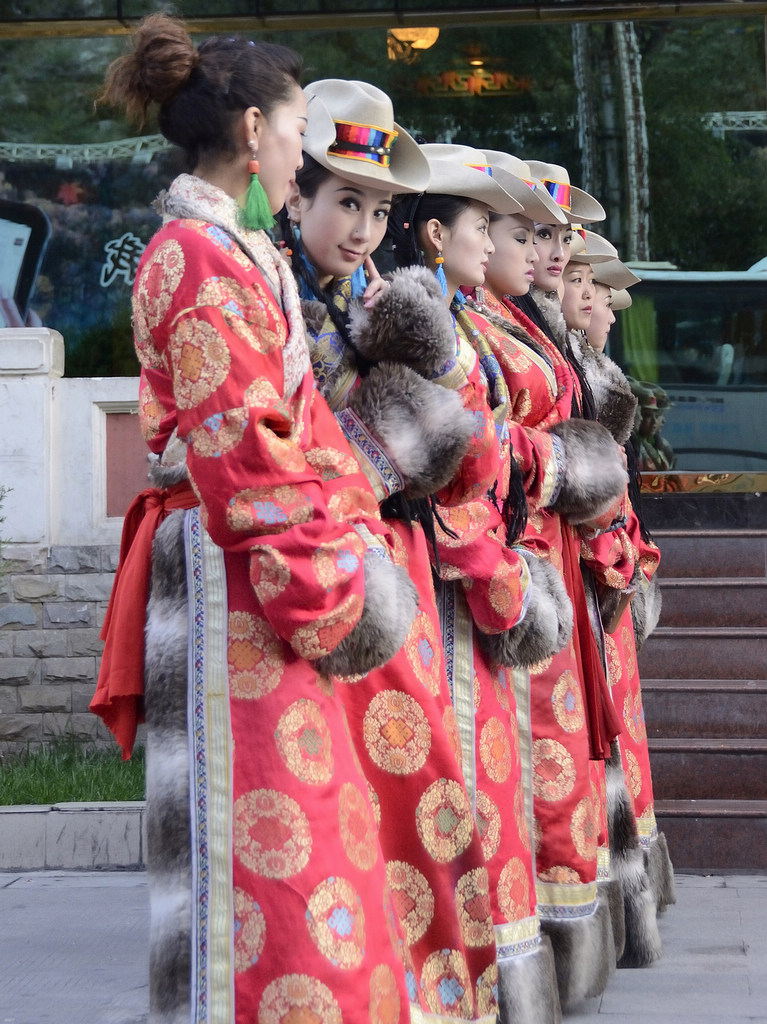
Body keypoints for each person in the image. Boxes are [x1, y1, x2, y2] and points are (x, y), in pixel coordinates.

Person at [91, 16, 424, 1023]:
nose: (298, 150)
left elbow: (301, 430)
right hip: (252, 580)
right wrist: (332, 580)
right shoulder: (194, 256)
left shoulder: (228, 249)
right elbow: (246, 453)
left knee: (310, 854)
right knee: (270, 866)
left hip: (274, 567)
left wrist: (347, 522)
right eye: (293, 128)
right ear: (251, 128)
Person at [278, 78, 502, 1023]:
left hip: (387, 562)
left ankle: (422, 988)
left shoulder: (373, 300)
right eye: (344, 204)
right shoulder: (272, 294)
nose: (363, 228)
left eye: (375, 209)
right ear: (295, 197)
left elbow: (459, 436)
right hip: (311, 572)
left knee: (420, 793)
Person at [386, 142, 585, 1024]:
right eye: (500, 228)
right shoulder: (422, 314)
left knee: (498, 767)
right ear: (436, 234)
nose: (537, 253)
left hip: (501, 544)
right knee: (461, 770)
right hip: (456, 553)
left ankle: (502, 961)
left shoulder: (478, 316)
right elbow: (456, 442)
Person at [462, 151, 634, 1007]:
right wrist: (562, 468)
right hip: (495, 554)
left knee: (555, 753)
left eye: (552, 235)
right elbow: (476, 440)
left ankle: (555, 939)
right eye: (523, 231)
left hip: (542, 551)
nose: (548, 252)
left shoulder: (514, 320)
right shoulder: (455, 321)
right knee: (505, 762)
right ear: (448, 232)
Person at [562, 235, 674, 965]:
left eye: (595, 288)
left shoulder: (570, 356)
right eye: (584, 284)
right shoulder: (520, 343)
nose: (597, 302)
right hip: (555, 564)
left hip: (594, 565)